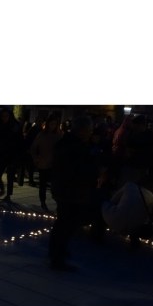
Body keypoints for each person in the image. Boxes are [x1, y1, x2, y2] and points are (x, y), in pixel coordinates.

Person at [48, 115, 101, 271]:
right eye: (89, 130)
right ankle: (57, 256)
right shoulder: (73, 146)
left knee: (65, 223)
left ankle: (58, 251)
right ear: (81, 130)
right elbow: (77, 170)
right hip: (70, 191)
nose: (90, 133)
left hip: (69, 190)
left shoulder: (70, 143)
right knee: (66, 223)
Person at [30, 113, 61, 211]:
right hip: (43, 163)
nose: (53, 126)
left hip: (54, 164)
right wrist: (36, 158)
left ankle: (57, 202)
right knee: (43, 184)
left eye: (55, 124)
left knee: (54, 185)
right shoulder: (42, 134)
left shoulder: (58, 135)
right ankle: (43, 201)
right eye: (51, 124)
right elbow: (33, 147)